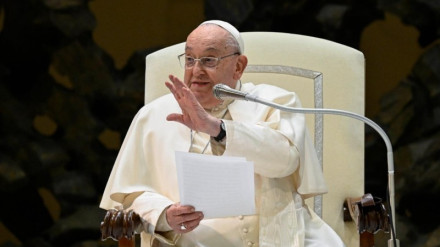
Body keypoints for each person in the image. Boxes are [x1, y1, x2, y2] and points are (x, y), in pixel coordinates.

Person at [100, 20, 346, 247]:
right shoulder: (153, 115)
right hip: (193, 239)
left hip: (278, 233)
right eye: (189, 59)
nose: (196, 71)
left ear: (239, 66)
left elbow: (285, 161)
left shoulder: (276, 101)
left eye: (209, 60)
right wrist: (165, 215)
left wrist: (216, 129)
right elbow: (130, 195)